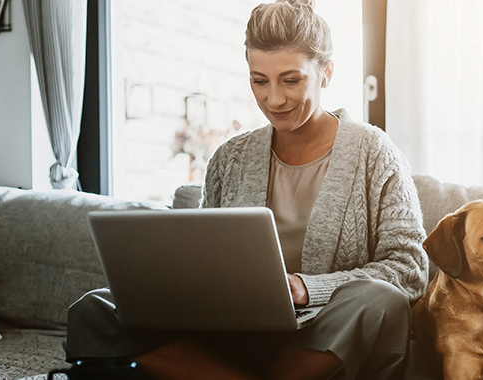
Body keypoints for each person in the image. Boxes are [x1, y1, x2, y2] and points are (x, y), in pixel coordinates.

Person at [64, 1, 429, 379]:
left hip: (324, 334)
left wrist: (308, 288)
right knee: (94, 310)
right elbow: (205, 261)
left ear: (326, 73)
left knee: (378, 300)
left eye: (291, 80)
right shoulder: (229, 158)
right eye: (259, 80)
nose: (274, 99)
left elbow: (409, 270)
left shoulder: (374, 152)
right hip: (236, 332)